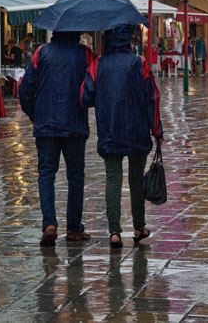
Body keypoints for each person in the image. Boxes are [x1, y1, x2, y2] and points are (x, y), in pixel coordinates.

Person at [80, 25, 162, 249]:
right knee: (136, 180)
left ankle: (114, 231)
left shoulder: (97, 65)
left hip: (110, 129)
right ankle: (139, 227)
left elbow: (85, 97)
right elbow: (152, 98)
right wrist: (157, 129)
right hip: (137, 130)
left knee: (113, 179)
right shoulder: (140, 63)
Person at [18, 31, 94, 246]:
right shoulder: (86, 54)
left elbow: (25, 89)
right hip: (75, 125)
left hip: (46, 125)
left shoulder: (41, 52)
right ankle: (74, 227)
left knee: (46, 174)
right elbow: (94, 87)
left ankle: (49, 223)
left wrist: (34, 113)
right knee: (76, 176)